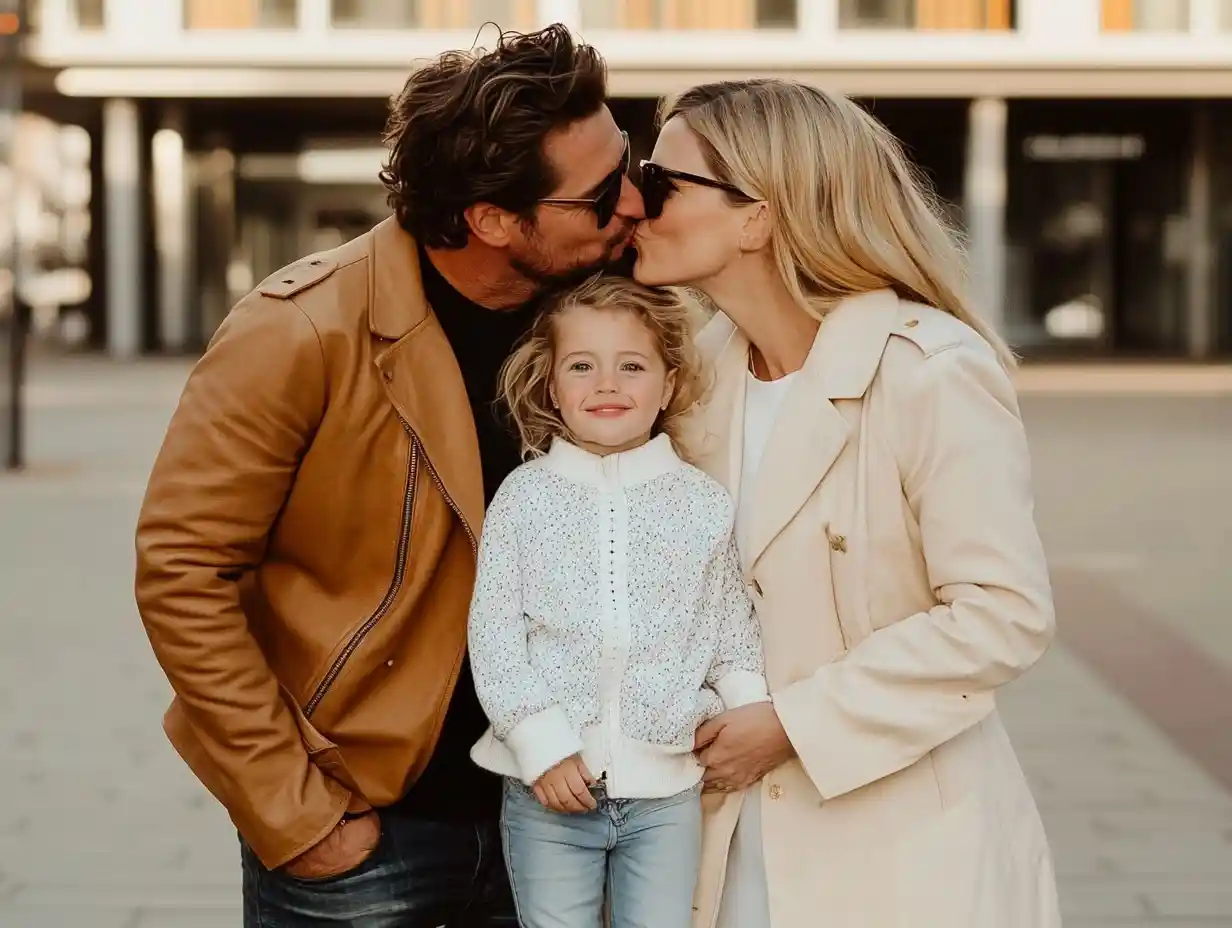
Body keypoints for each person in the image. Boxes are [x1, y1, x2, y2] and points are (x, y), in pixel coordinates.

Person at [133, 24, 644, 927]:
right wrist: (295, 813)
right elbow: (182, 571)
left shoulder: (609, 318)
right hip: (368, 831)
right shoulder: (299, 329)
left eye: (629, 165)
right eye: (601, 195)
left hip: (567, 820)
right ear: (491, 219)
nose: (635, 204)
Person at [632, 79, 1062, 927]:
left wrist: (793, 722)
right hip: (716, 846)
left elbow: (1001, 614)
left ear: (757, 214)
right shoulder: (686, 379)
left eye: (659, 184)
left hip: (901, 849)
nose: (631, 205)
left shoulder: (930, 370)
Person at [465, 275, 769, 928]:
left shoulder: (700, 502)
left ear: (668, 384)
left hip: (666, 792)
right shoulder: (523, 499)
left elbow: (728, 632)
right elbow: (494, 637)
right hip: (548, 789)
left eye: (631, 366)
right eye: (582, 366)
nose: (607, 384)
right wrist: (539, 743)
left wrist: (750, 717)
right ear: (552, 386)